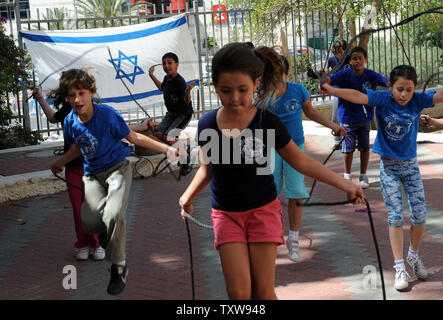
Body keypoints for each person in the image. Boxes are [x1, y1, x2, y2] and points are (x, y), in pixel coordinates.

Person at [178, 43, 365, 300]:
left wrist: (346, 184)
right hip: (225, 215)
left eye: (242, 90)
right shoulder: (207, 123)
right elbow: (207, 168)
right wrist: (187, 196)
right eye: (225, 91)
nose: (234, 98)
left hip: (262, 212)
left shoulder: (267, 122)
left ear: (256, 84)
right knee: (239, 294)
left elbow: (301, 161)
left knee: (263, 291)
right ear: (214, 87)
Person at [50, 68, 178, 295]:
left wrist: (168, 149)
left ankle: (118, 267)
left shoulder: (107, 115)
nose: (77, 99)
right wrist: (60, 161)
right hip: (91, 176)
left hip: (117, 170)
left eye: (81, 93)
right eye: (72, 95)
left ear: (91, 92)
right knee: (89, 223)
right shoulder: (70, 121)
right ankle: (106, 235)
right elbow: (79, 145)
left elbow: (134, 137)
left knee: (113, 214)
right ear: (66, 97)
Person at [321, 64, 443, 291]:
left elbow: (440, 95)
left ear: (414, 88)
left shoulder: (418, 100)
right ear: (390, 87)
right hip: (389, 168)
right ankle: (399, 267)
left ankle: (413, 256)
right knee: (395, 216)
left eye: (408, 89)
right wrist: (332, 90)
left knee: (420, 217)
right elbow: (357, 96)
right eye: (399, 89)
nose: (404, 95)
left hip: (411, 168)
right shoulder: (383, 99)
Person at [265, 54, 346, 263]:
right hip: (270, 149)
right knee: (268, 195)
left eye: (278, 71)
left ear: (285, 72)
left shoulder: (298, 90)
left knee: (296, 192)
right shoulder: (263, 96)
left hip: (295, 148)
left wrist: (334, 126)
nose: (276, 76)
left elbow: (310, 113)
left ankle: (293, 238)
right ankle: (272, 236)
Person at [32, 82, 105, 262]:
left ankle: (96, 244)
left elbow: (112, 131)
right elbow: (52, 118)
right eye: (72, 94)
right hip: (72, 168)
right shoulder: (68, 109)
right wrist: (40, 98)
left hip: (93, 167)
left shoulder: (97, 110)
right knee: (77, 209)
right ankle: (82, 244)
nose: (77, 98)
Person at [322, 46, 388, 189]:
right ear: (350, 61)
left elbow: (387, 82)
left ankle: (363, 175)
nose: (357, 61)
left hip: (365, 119)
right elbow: (329, 80)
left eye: (360, 58)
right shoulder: (344, 74)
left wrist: (398, 87)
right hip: (347, 118)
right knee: (348, 149)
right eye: (354, 58)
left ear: (365, 60)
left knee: (364, 148)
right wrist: (323, 78)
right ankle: (347, 175)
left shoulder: (371, 75)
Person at [149, 52, 195, 144]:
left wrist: (188, 91)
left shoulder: (180, 82)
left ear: (177, 65)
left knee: (169, 137)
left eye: (170, 63)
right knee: (158, 134)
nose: (166, 66)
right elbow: (161, 88)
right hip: (172, 113)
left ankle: (184, 154)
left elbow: (187, 101)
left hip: (183, 114)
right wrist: (151, 75)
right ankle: (177, 148)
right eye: (164, 63)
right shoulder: (166, 78)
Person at [327, 40, 350, 149]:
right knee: (335, 116)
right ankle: (337, 141)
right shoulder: (331, 60)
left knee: (351, 117)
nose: (340, 55)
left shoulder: (350, 59)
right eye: (337, 53)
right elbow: (329, 74)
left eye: (341, 52)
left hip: (350, 91)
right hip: (336, 91)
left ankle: (351, 139)